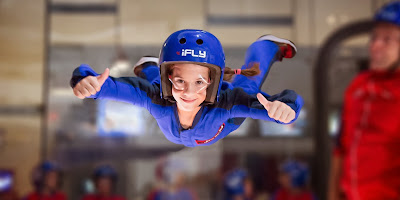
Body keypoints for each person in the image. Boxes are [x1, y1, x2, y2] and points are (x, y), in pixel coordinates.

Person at [70, 29, 303, 147]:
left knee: (249, 86)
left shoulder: (227, 103)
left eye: (199, 82)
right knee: (156, 88)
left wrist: (285, 109)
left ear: (212, 82)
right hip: (170, 102)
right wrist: (86, 82)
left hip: (221, 125)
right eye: (180, 81)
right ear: (168, 76)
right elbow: (111, 87)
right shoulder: (158, 95)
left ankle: (264, 47)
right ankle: (151, 68)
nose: (189, 93)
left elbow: (280, 105)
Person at [328, 1, 400, 200]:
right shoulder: (358, 85)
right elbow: (340, 148)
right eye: (374, 37)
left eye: (387, 40)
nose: (375, 45)